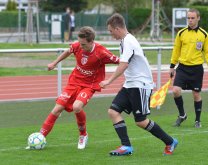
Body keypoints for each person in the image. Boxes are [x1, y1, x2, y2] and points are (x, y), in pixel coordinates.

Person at [26, 26, 119, 150]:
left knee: (77, 107)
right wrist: (54, 63)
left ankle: (83, 135)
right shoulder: (77, 45)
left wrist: (109, 80)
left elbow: (121, 62)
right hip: (74, 82)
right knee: (57, 109)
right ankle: (40, 137)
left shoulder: (101, 53)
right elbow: (68, 51)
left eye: (84, 44)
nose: (80, 46)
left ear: (92, 42)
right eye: (79, 43)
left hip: (89, 85)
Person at [99, 13, 178, 156]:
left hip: (140, 85)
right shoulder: (124, 41)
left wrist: (109, 81)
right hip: (130, 84)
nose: (111, 34)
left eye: (111, 31)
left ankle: (170, 141)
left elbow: (123, 65)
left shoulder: (128, 41)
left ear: (117, 28)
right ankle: (126, 146)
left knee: (141, 121)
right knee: (113, 112)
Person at [169, 8, 208, 128]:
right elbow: (176, 50)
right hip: (182, 68)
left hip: (196, 69)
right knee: (175, 91)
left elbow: (207, 52)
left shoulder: (204, 35)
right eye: (188, 18)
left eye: (192, 18)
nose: (190, 20)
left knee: (196, 94)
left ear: (198, 18)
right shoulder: (181, 33)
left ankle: (197, 120)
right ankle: (182, 115)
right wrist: (172, 66)